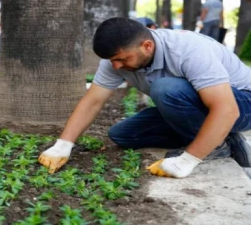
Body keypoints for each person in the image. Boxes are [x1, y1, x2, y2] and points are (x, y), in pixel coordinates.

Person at [38, 17, 251, 178]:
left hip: (242, 103)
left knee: (166, 89)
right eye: (112, 60)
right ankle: (223, 137)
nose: (116, 66)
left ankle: (216, 145)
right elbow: (92, 101)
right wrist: (63, 145)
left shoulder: (186, 49)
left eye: (122, 59)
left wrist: (187, 160)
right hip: (204, 106)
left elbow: (227, 109)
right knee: (123, 135)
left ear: (146, 46)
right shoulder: (116, 60)